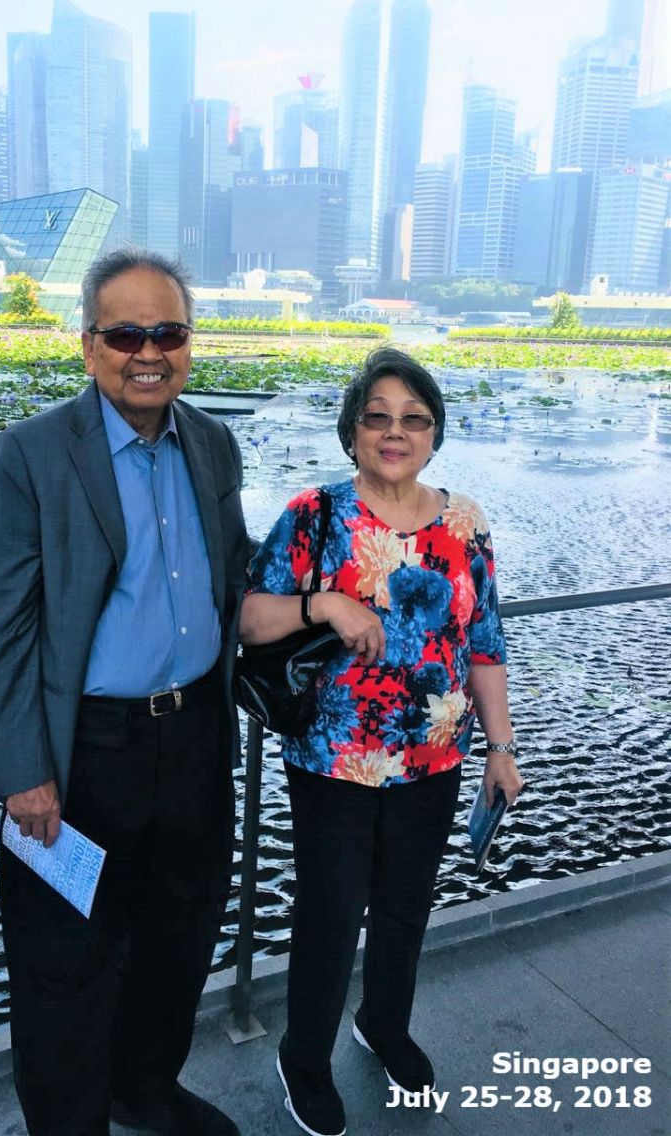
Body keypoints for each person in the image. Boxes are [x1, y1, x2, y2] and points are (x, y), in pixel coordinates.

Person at [0, 247, 249, 1136]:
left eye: (168, 332)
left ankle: (145, 1089)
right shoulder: (33, 454)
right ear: (90, 345)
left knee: (180, 938)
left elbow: (237, 578)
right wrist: (23, 770)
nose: (149, 352)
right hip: (82, 749)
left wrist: (328, 595)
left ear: (188, 343)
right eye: (126, 334)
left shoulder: (212, 443)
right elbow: (0, 627)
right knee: (63, 966)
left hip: (195, 736)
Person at [240, 348, 523, 1136]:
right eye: (378, 417)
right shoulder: (314, 514)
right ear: (353, 431)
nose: (395, 432)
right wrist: (326, 603)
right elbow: (251, 619)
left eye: (414, 419)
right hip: (335, 758)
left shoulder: (465, 523)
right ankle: (304, 1057)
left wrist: (501, 750)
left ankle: (384, 1024)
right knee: (331, 915)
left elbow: (486, 645)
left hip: (435, 755)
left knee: (405, 906)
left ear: (434, 434)